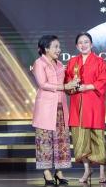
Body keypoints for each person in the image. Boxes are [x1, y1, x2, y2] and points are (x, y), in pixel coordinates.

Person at [32, 35, 79, 186]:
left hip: (61, 108)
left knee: (61, 141)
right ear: (46, 49)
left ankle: (59, 172)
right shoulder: (39, 63)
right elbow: (43, 84)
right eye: (56, 47)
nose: (59, 50)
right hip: (46, 108)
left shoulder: (60, 64)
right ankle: (46, 173)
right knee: (45, 141)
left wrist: (73, 85)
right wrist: (64, 86)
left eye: (59, 47)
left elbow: (65, 85)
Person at [65, 32, 106, 184]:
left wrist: (87, 86)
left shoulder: (99, 61)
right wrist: (73, 85)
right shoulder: (72, 62)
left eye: (86, 42)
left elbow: (102, 81)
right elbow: (67, 83)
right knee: (79, 140)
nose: (83, 45)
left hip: (94, 104)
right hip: (77, 104)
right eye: (80, 43)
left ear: (91, 44)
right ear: (77, 46)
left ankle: (102, 171)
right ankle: (87, 169)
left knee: (97, 138)